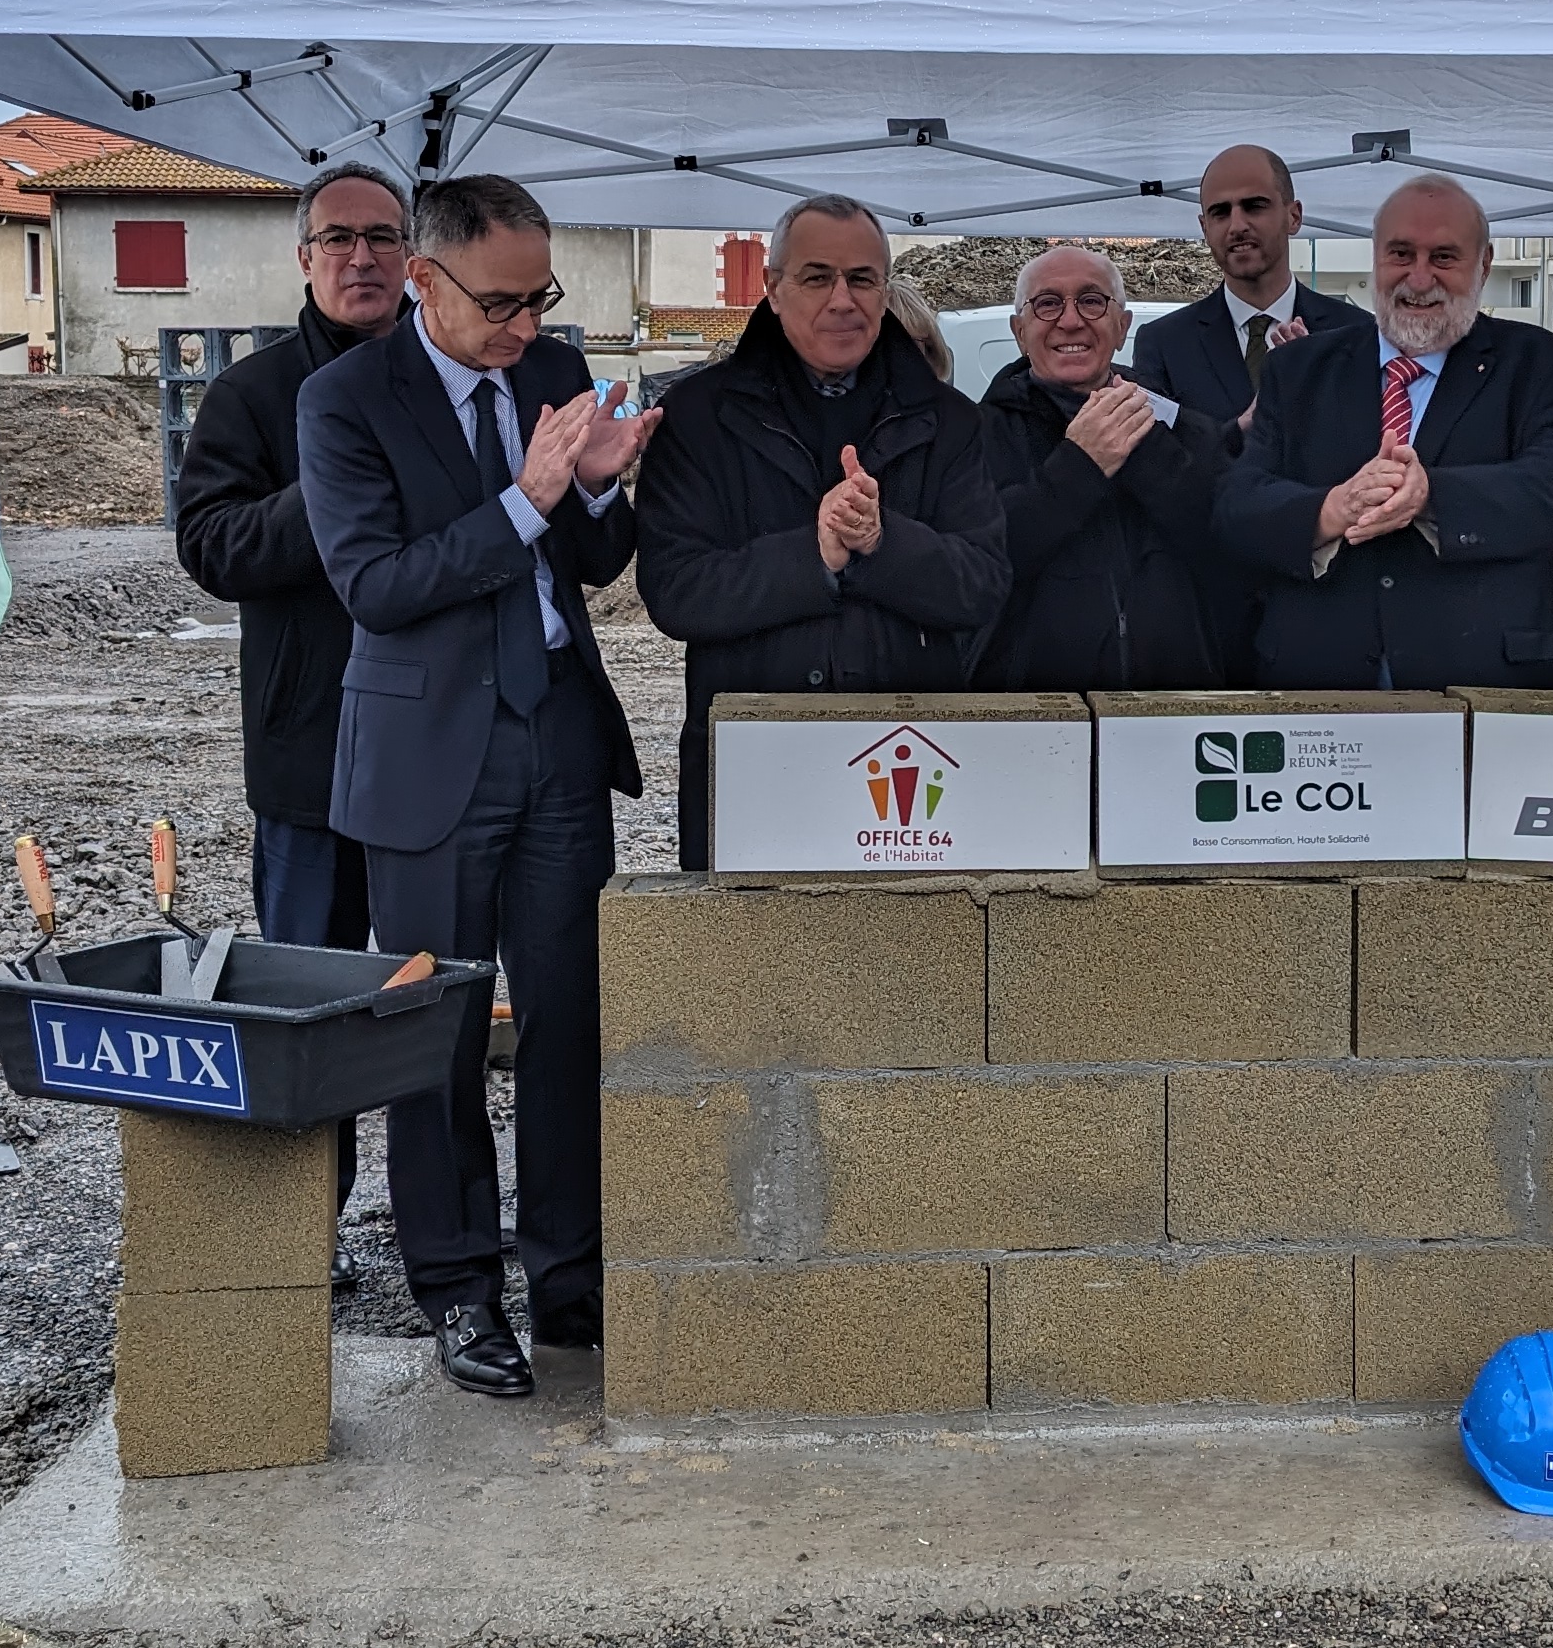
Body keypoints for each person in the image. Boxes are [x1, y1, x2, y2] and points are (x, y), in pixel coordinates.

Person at [297, 172, 653, 1399]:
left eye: (538, 298)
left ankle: (570, 1277)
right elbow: (377, 587)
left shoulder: (552, 374)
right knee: (436, 1033)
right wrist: (529, 498)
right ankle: (455, 1289)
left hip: (555, 729)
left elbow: (596, 560)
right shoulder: (344, 401)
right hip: (428, 751)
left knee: (569, 1020)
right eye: (500, 302)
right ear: (422, 280)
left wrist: (601, 484)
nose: (523, 324)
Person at [170, 161, 415, 1273]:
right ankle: (301, 1236)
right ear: (303, 256)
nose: (362, 258)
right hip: (309, 755)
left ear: (414, 253)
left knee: (422, 1004)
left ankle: (440, 1241)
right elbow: (211, 548)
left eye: (383, 237)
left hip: (437, 752)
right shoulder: (253, 396)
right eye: (339, 239)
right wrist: (337, 478)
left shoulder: (454, 374)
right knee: (309, 1005)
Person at [636, 195, 1010, 868]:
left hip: (911, 771)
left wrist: (880, 541)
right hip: (754, 767)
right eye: (817, 278)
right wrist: (815, 554)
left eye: (862, 279)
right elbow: (676, 591)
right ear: (772, 289)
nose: (844, 299)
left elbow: (981, 585)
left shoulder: (951, 421)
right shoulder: (694, 418)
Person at [1213, 172, 1553, 689]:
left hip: (1483, 682)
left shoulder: (1541, 363)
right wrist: (1332, 509)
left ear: (1483, 264)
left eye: (1443, 257)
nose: (1418, 279)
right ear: (1375, 257)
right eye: (1400, 254)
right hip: (1318, 682)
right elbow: (1239, 504)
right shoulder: (1298, 370)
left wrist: (1431, 495)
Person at [972, 242, 1230, 690]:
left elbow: (1224, 544)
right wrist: (1078, 467)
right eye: (1048, 304)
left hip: (1175, 706)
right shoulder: (973, 435)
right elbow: (976, 564)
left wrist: (1147, 449)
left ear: (1122, 325)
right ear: (1019, 330)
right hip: (1033, 712)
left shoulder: (1183, 426)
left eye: (1091, 301)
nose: (1070, 321)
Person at [1129, 142, 1373, 444]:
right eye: (1220, 213)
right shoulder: (1164, 344)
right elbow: (1163, 465)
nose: (1237, 225)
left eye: (1254, 206)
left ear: (1293, 216)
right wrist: (1239, 429)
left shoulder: (1359, 333)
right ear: (1204, 229)